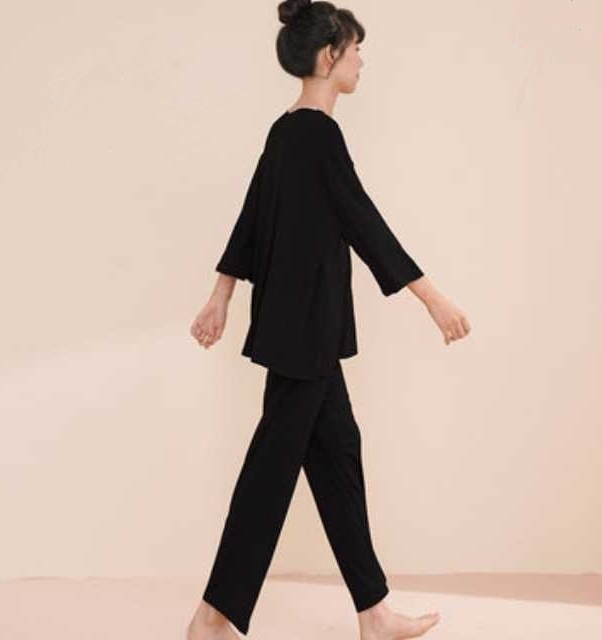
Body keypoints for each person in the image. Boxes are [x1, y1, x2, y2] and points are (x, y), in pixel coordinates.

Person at [187, 1, 470, 638]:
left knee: (338, 455)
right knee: (271, 473)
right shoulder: (317, 134)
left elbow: (250, 217)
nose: (362, 61)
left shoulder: (286, 131)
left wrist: (222, 294)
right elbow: (361, 221)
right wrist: (433, 299)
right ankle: (211, 617)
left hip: (297, 326)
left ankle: (374, 613)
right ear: (328, 56)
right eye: (355, 49)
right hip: (306, 329)